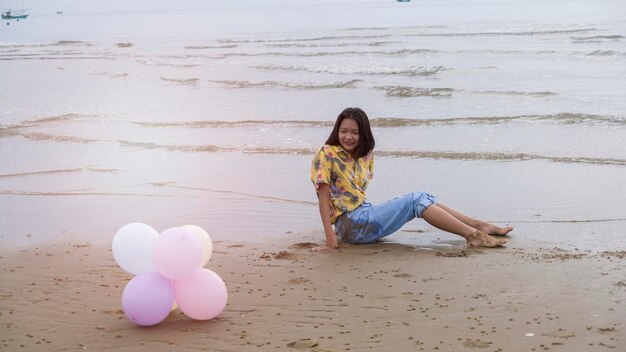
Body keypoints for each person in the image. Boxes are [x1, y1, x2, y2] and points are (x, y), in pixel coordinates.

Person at [310, 107, 512, 251]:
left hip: (361, 219)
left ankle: (477, 225)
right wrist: (331, 240)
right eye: (343, 131)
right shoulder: (326, 153)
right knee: (416, 200)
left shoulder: (364, 157)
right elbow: (324, 198)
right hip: (352, 224)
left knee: (423, 196)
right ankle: (473, 235)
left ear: (363, 134)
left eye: (355, 132)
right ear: (337, 131)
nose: (348, 137)